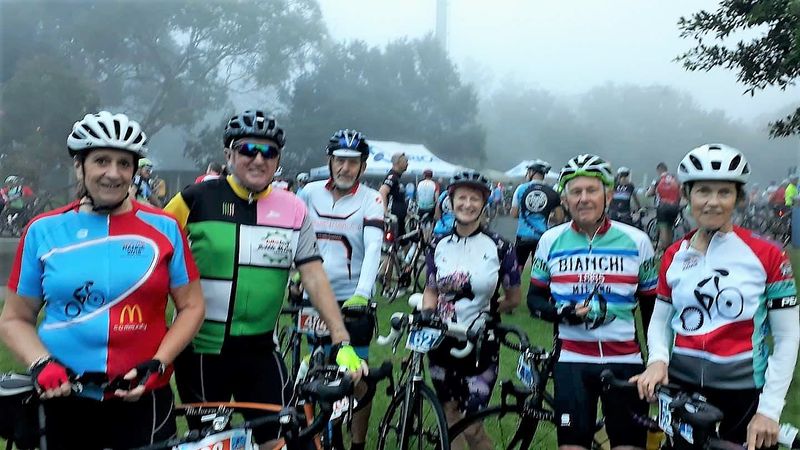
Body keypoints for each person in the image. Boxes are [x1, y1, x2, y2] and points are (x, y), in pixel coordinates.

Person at [0, 111, 206, 449]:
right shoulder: (43, 230)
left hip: (143, 397)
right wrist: (41, 363)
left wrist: (159, 361)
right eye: (101, 161)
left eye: (124, 164)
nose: (113, 173)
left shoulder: (165, 228)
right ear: (79, 166)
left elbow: (192, 306)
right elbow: (14, 318)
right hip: (62, 396)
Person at [163, 110, 365, 448]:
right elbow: (152, 258)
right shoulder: (194, 200)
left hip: (260, 350)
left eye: (269, 152)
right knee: (212, 443)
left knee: (289, 437)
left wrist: (341, 341)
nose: (258, 159)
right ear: (229, 154)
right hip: (202, 351)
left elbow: (313, 276)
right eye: (247, 150)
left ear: (278, 160)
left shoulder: (293, 209)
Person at [632, 144, 799, 450]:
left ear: (738, 198)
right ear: (687, 196)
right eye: (703, 191)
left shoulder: (769, 255)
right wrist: (657, 360)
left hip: (743, 394)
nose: (712, 202)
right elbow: (660, 320)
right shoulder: (673, 255)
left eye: (724, 192)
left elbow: (787, 337)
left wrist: (770, 409)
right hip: (681, 389)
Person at [527, 154, 657, 450]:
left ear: (608, 195)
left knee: (628, 446)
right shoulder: (549, 241)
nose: (583, 199)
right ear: (564, 198)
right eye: (576, 192)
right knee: (571, 445)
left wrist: (657, 362)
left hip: (626, 363)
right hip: (572, 363)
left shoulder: (637, 242)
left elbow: (652, 310)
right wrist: (563, 313)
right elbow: (534, 299)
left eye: (592, 190)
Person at [421, 169, 521, 450]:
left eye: (474, 198)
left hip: (480, 346)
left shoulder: (501, 247)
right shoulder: (437, 244)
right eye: (461, 198)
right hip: (441, 343)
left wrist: (488, 313)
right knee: (450, 417)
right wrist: (428, 314)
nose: (467, 204)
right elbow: (431, 288)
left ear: (484, 203)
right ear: (450, 203)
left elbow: (514, 297)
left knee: (473, 424)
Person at [297, 129, 383, 450]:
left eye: (353, 162)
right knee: (317, 369)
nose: (345, 168)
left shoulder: (371, 199)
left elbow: (374, 248)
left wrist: (363, 293)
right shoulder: (309, 192)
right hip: (314, 298)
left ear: (362, 166)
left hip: (352, 300)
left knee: (358, 379)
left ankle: (357, 442)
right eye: (340, 161)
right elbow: (296, 237)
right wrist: (295, 275)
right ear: (330, 162)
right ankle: (319, 434)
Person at [510, 160, 563, 269]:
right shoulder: (552, 192)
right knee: (539, 271)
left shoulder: (521, 189)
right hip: (542, 237)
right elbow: (559, 218)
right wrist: (547, 216)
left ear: (532, 172)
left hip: (522, 236)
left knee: (517, 270)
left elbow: (514, 214)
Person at [378, 152, 410, 294]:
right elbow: (382, 192)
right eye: (405, 161)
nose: (408, 163)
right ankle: (387, 286)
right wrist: (385, 212)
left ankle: (391, 276)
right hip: (394, 222)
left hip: (401, 220)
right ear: (398, 162)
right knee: (392, 253)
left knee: (404, 247)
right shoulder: (392, 177)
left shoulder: (398, 178)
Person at [646, 162, 682, 253]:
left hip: (662, 208)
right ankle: (669, 252)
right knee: (669, 230)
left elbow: (649, 193)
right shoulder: (675, 179)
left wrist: (651, 192)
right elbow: (681, 191)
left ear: (658, 170)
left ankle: (662, 254)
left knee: (663, 232)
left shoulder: (658, 180)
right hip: (674, 207)